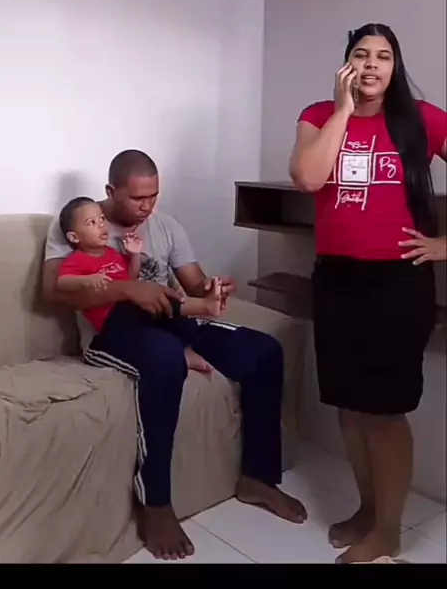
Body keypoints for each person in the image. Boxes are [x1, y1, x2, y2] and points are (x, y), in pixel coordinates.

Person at [43, 150, 307, 560]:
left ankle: (258, 477)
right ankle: (156, 504)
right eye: (137, 198)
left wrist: (212, 289)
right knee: (166, 356)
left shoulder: (165, 226)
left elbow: (194, 283)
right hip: (111, 334)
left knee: (264, 351)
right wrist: (129, 289)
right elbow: (53, 289)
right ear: (111, 191)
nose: (147, 207)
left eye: (153, 196)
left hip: (169, 320)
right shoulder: (80, 221)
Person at [289, 23, 447, 564]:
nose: (373, 64)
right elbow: (309, 178)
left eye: (384, 56)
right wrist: (343, 110)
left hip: (397, 286)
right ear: (347, 64)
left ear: (396, 67)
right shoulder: (317, 116)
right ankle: (367, 511)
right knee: (350, 409)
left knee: (384, 412)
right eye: (362, 54)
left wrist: (445, 246)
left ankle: (389, 531)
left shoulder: (423, 120)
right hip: (337, 281)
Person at [57, 195, 223, 363]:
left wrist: (135, 254)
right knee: (156, 303)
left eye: (101, 219)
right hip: (111, 318)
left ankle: (188, 346)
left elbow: (131, 277)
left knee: (171, 315)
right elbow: (62, 282)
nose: (101, 225)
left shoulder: (112, 253)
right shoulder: (77, 259)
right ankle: (205, 306)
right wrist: (86, 280)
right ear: (74, 237)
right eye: (91, 223)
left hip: (132, 310)